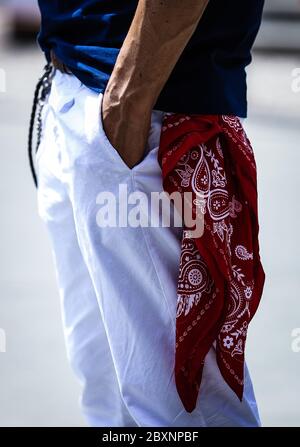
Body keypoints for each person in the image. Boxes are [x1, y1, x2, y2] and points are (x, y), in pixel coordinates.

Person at [31, 0, 265, 427]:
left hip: (152, 112)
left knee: (187, 414)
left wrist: (128, 101)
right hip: (83, 91)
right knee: (108, 398)